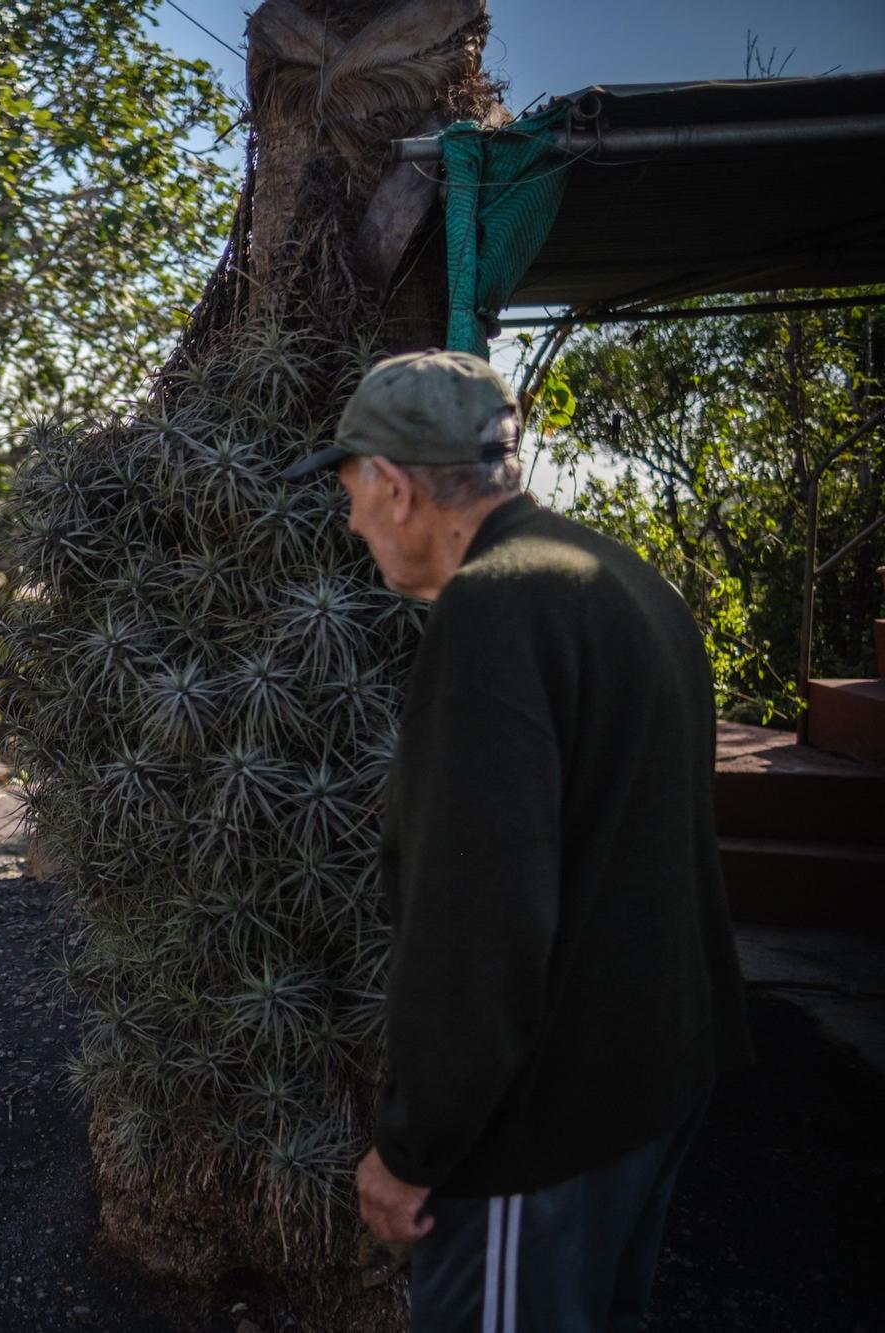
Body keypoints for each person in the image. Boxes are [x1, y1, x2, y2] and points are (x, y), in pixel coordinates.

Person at [281, 350, 750, 1332]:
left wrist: (411, 1147)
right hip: (650, 1089)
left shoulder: (494, 609)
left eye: (350, 492)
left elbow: (477, 921)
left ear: (396, 488)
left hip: (538, 1135)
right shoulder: (616, 575)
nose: (350, 521)